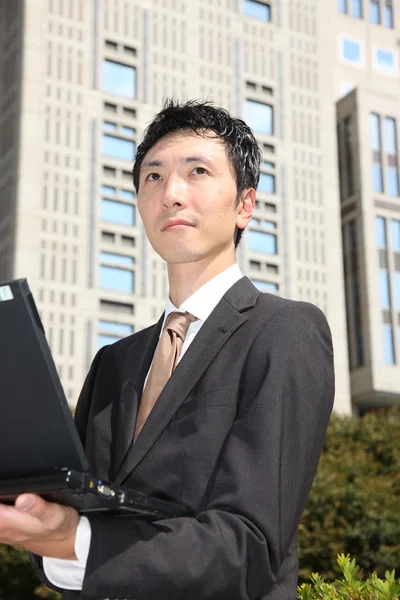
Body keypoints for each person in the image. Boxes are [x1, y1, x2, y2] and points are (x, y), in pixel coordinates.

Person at [0, 100, 334, 599]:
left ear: (245, 204)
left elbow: (252, 547)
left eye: (197, 171)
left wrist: (76, 540)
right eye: (153, 177)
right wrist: (47, 527)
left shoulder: (285, 331)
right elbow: (68, 537)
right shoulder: (113, 363)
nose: (172, 193)